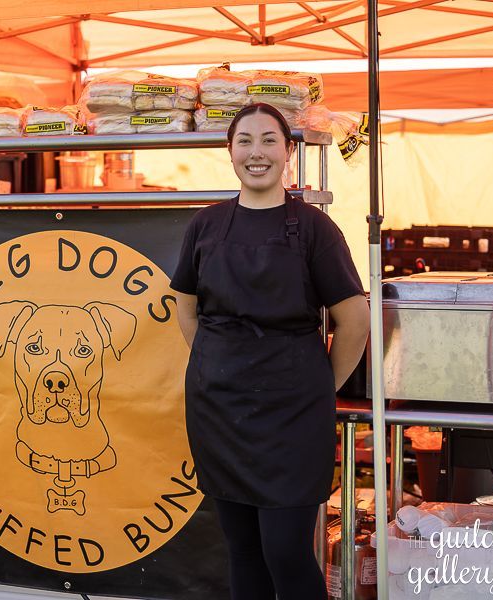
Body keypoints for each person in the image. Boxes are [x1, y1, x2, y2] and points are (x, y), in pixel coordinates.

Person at [170, 103, 370, 600]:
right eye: (244, 141)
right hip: (219, 410)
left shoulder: (315, 229)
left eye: (268, 140)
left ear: (288, 152)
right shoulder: (205, 226)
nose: (255, 152)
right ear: (230, 151)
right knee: (242, 549)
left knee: (286, 551)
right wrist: (218, 363)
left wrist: (322, 386)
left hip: (293, 412)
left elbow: (355, 322)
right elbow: (185, 307)